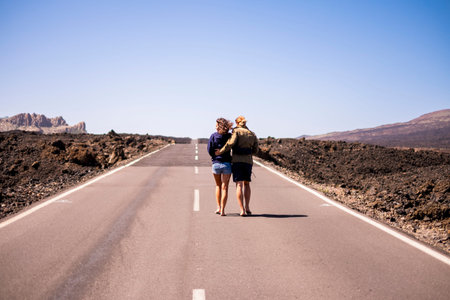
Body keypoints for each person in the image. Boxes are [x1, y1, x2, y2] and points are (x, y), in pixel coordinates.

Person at [215, 116, 258, 216]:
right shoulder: (252, 133)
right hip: (248, 161)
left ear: (237, 123)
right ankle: (247, 207)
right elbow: (256, 150)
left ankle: (242, 210)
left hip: (237, 161)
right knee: (247, 184)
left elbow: (231, 143)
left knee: (239, 184)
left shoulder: (236, 131)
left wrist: (221, 151)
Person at [207, 118, 233, 216]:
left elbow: (209, 149)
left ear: (218, 125)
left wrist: (214, 155)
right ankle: (223, 210)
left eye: (216, 124)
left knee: (218, 185)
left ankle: (218, 207)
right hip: (227, 163)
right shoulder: (229, 136)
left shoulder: (213, 136)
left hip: (216, 163)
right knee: (225, 187)